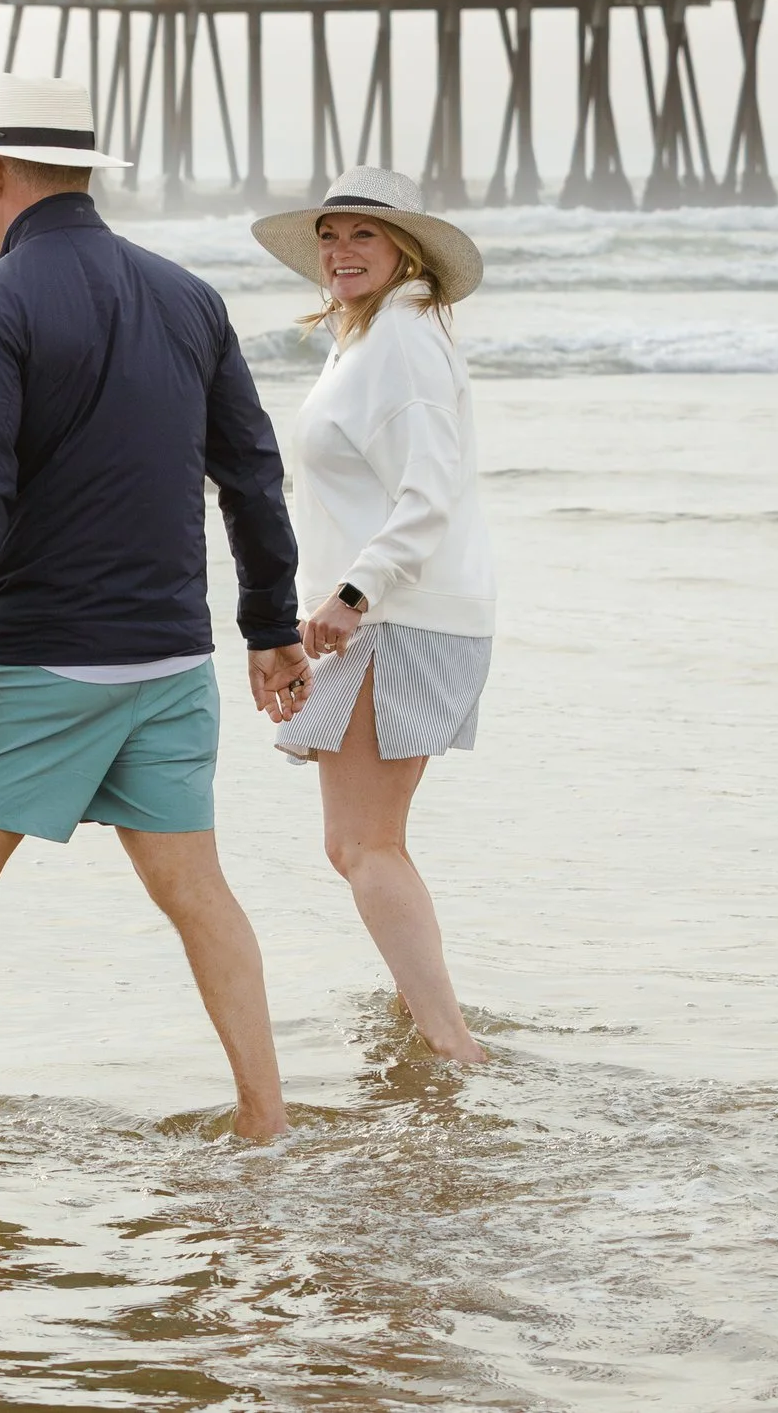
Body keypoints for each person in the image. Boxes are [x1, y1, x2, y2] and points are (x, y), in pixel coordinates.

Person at [0, 73, 311, 1140]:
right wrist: (267, 627)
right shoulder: (189, 296)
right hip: (169, 661)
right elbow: (250, 471)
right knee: (200, 894)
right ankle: (265, 1113)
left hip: (40, 659)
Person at [250, 166, 496, 1065]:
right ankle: (429, 1019)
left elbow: (428, 493)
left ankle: (451, 1045)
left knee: (363, 842)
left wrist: (354, 595)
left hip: (398, 615)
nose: (341, 251)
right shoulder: (365, 339)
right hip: (390, 611)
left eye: (363, 235)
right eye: (329, 235)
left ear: (405, 251)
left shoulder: (403, 341)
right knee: (360, 841)